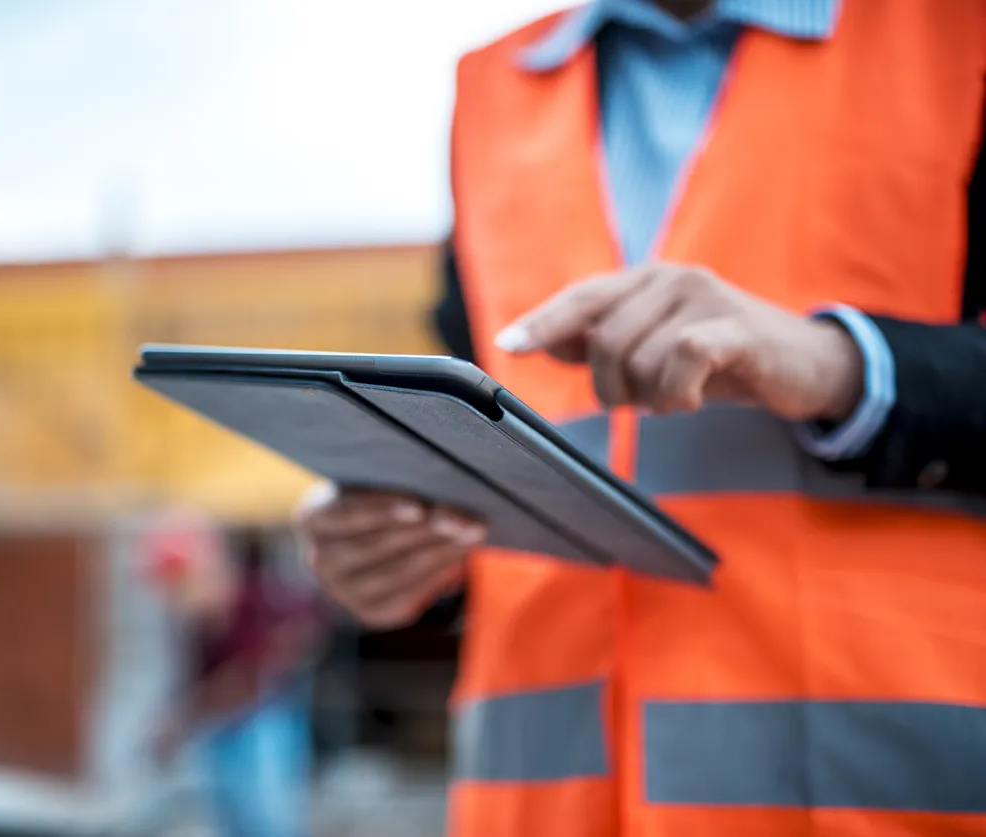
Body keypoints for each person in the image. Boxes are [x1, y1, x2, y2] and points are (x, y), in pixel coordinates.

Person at [299, 2, 986, 836]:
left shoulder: (955, 38)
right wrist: (400, 544)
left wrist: (843, 365)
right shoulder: (492, 90)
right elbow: (498, 429)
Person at [147, 518, 323, 837]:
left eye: (179, 580)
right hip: (221, 728)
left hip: (260, 723)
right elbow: (197, 679)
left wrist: (184, 716)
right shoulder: (196, 624)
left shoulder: (252, 600)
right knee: (233, 821)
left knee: (268, 820)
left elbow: (251, 675)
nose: (173, 593)